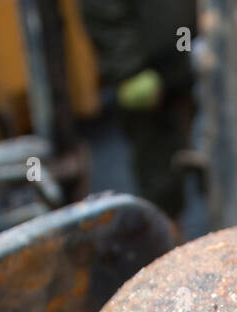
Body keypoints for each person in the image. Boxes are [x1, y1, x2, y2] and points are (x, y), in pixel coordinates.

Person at [79, 0, 197, 219]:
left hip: (185, 65)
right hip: (147, 74)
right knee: (159, 174)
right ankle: (167, 240)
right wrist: (128, 68)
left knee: (203, 158)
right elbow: (101, 8)